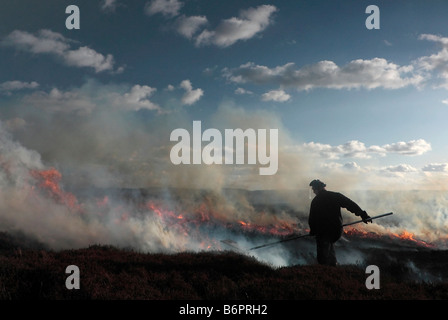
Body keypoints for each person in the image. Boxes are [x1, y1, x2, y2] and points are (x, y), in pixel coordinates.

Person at [308, 179, 371, 266]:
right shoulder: (335, 196)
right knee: (329, 246)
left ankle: (325, 273)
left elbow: (312, 219)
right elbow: (350, 205)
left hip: (323, 232)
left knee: (322, 257)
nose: (314, 192)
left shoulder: (316, 201)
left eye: (314, 189)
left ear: (317, 189)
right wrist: (363, 215)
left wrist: (313, 231)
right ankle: (333, 266)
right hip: (336, 230)